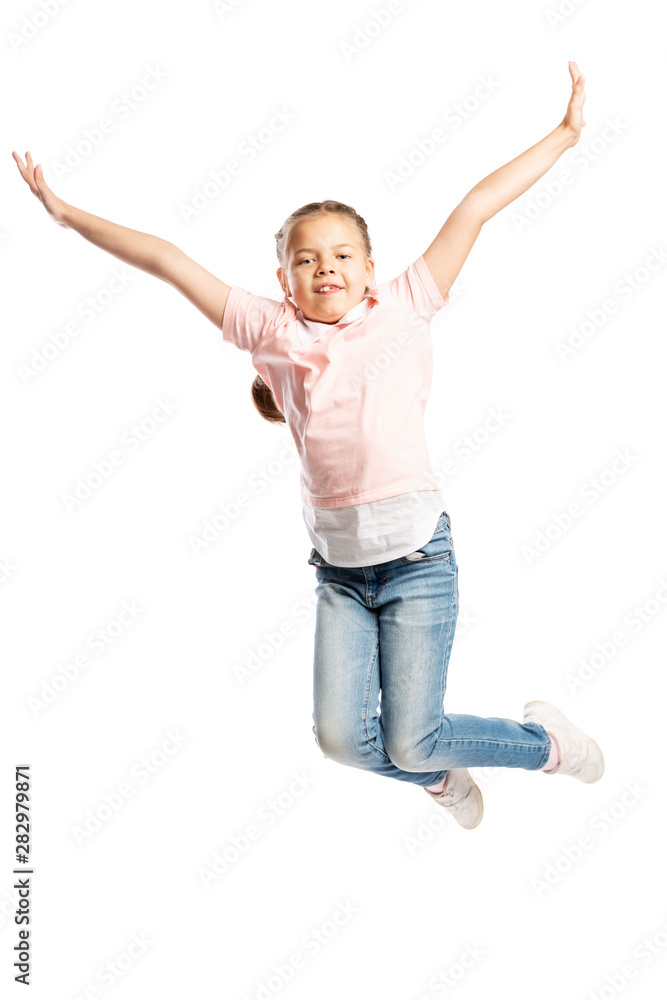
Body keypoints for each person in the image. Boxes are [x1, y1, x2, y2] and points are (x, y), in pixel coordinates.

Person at [13, 60, 604, 831]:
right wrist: (65, 214)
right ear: (284, 280)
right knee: (342, 742)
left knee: (412, 735)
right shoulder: (269, 331)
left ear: (368, 270)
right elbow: (165, 258)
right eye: (305, 257)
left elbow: (473, 209)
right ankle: (434, 777)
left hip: (418, 561)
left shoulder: (406, 305)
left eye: (341, 255)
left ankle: (546, 746)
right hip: (340, 577)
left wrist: (561, 136)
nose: (324, 265)